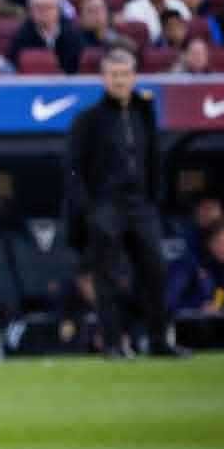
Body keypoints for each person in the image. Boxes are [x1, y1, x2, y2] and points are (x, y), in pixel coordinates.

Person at [68, 48, 190, 360]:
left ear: (134, 77)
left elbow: (154, 159)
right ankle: (113, 344)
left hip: (141, 204)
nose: (120, 81)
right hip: (105, 205)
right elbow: (74, 168)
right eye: (114, 75)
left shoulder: (144, 113)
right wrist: (90, 210)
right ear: (104, 78)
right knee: (107, 277)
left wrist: (154, 198)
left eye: (125, 74)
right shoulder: (88, 120)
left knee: (155, 270)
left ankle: (158, 340)